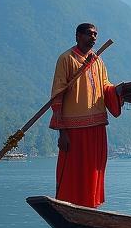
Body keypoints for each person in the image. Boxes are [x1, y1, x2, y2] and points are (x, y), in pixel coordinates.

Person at [50, 23, 122, 208]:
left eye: (96, 34)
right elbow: (58, 94)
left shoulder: (98, 62)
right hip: (73, 128)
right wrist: (62, 131)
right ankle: (69, 204)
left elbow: (106, 88)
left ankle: (90, 206)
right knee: (73, 170)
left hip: (96, 125)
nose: (94, 38)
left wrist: (118, 92)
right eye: (89, 34)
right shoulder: (66, 59)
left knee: (94, 169)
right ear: (78, 36)